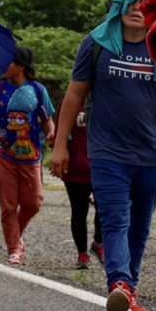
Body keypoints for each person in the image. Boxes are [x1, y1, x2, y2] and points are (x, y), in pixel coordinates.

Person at [51, 0, 156, 311]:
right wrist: (60, 145)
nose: (136, 9)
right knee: (116, 219)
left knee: (140, 228)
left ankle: (129, 291)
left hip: (149, 154)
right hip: (106, 152)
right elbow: (74, 95)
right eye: (129, 1)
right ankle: (119, 282)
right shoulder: (96, 44)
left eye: (144, 4)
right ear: (118, 6)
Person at [0, 46, 55, 265]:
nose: (3, 66)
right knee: (8, 205)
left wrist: (50, 131)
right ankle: (13, 248)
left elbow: (46, 118)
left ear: (20, 66)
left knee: (34, 202)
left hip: (31, 155)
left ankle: (16, 234)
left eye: (8, 62)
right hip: (1, 153)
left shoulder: (38, 90)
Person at [51, 99, 102, 270]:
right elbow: (59, 132)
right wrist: (58, 154)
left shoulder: (105, 98)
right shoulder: (68, 101)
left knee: (104, 208)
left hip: (101, 164)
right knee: (79, 210)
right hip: (75, 165)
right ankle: (82, 253)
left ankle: (99, 242)